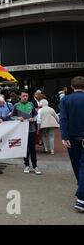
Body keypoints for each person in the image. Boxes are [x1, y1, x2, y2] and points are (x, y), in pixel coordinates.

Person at [59, 76, 84, 213]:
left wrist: (64, 136)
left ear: (72, 87)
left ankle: (81, 197)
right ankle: (82, 194)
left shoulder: (65, 100)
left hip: (72, 137)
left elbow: (63, 119)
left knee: (77, 164)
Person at [13, 90, 40, 175]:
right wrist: (18, 118)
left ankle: (35, 166)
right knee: (25, 149)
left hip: (31, 130)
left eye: (26, 96)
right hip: (21, 131)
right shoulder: (16, 105)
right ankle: (27, 165)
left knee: (32, 148)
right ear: (20, 96)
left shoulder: (31, 104)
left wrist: (33, 119)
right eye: (23, 96)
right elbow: (12, 116)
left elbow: (36, 115)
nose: (25, 97)